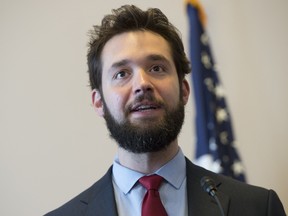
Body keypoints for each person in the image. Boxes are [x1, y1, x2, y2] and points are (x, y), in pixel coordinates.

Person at [45, 5, 286, 216]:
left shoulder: (258, 207)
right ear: (98, 102)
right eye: (121, 73)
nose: (142, 84)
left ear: (184, 90)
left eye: (157, 68)